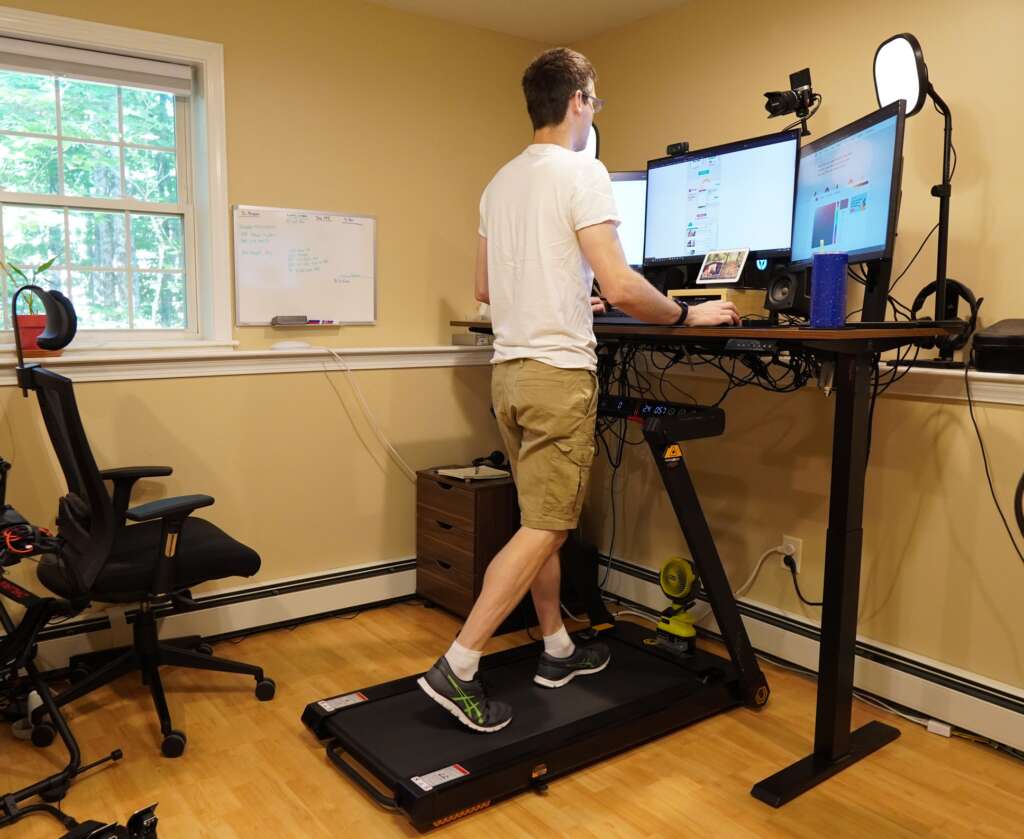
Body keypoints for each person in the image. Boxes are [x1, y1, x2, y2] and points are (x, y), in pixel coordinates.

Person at [417, 47, 739, 733]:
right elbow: (621, 284)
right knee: (550, 523)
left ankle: (556, 648)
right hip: (557, 374)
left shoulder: (499, 182)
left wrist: (570, 293)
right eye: (595, 101)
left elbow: (485, 289)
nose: (595, 112)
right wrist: (690, 313)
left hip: (507, 372)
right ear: (578, 103)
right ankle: (459, 663)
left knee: (541, 519)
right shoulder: (583, 171)